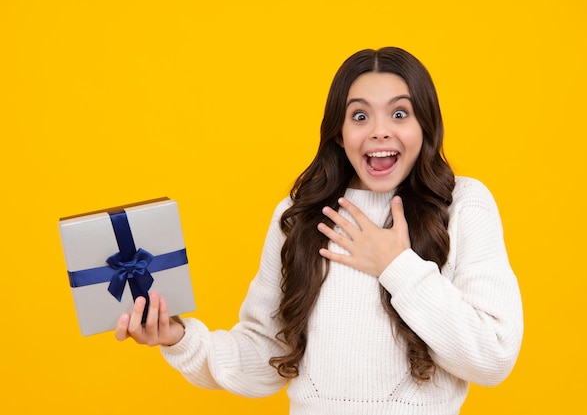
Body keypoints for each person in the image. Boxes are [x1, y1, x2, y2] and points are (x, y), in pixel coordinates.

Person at [115, 47, 524, 415]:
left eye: (400, 113)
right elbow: (267, 355)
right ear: (339, 133)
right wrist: (179, 337)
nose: (380, 130)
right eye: (360, 116)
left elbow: (493, 357)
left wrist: (397, 266)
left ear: (425, 125)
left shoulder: (461, 205)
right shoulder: (299, 216)